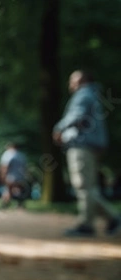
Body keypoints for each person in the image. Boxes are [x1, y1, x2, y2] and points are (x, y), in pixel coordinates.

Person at [53, 69, 120, 237]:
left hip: (81, 146)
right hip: (90, 146)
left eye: (72, 80)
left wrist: (59, 129)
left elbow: (77, 115)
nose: (70, 84)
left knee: (83, 186)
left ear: (81, 81)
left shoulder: (83, 95)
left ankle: (88, 223)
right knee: (89, 187)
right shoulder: (93, 95)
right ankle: (111, 218)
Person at [0, 142, 29, 209]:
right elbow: (25, 167)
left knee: (8, 189)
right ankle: (20, 205)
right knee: (18, 190)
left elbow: (5, 166)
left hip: (11, 175)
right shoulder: (21, 155)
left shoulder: (8, 154)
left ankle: (5, 204)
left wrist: (2, 175)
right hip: (20, 176)